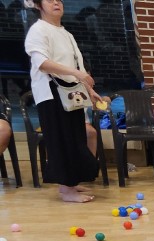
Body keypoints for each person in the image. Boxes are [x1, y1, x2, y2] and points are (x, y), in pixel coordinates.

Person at [24, 0, 101, 202]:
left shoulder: (66, 34)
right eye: (50, 0)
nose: (56, 2)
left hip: (70, 93)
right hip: (50, 93)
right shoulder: (38, 30)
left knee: (75, 137)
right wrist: (77, 73)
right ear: (39, 6)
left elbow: (78, 65)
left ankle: (71, 183)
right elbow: (42, 63)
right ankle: (65, 190)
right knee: (60, 139)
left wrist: (89, 90)